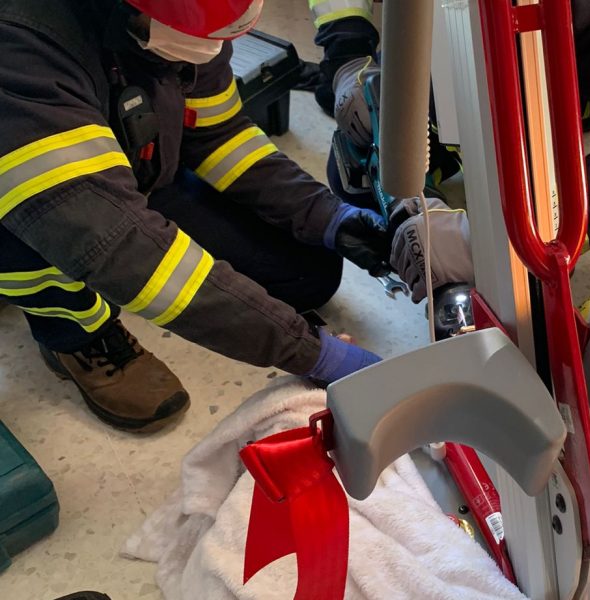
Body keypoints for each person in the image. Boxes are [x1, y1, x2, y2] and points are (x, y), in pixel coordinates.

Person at [0, 0, 390, 433]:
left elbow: (221, 132)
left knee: (308, 273)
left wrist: (329, 216)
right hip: (39, 204)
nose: (212, 46)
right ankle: (74, 335)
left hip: (131, 171)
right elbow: (118, 247)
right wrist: (309, 352)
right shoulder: (19, 49)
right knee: (52, 244)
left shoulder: (186, 17)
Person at [307, 0, 590, 260]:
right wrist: (348, 58)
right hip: (464, 41)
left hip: (579, 71)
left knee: (519, 277)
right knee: (355, 168)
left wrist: (489, 246)